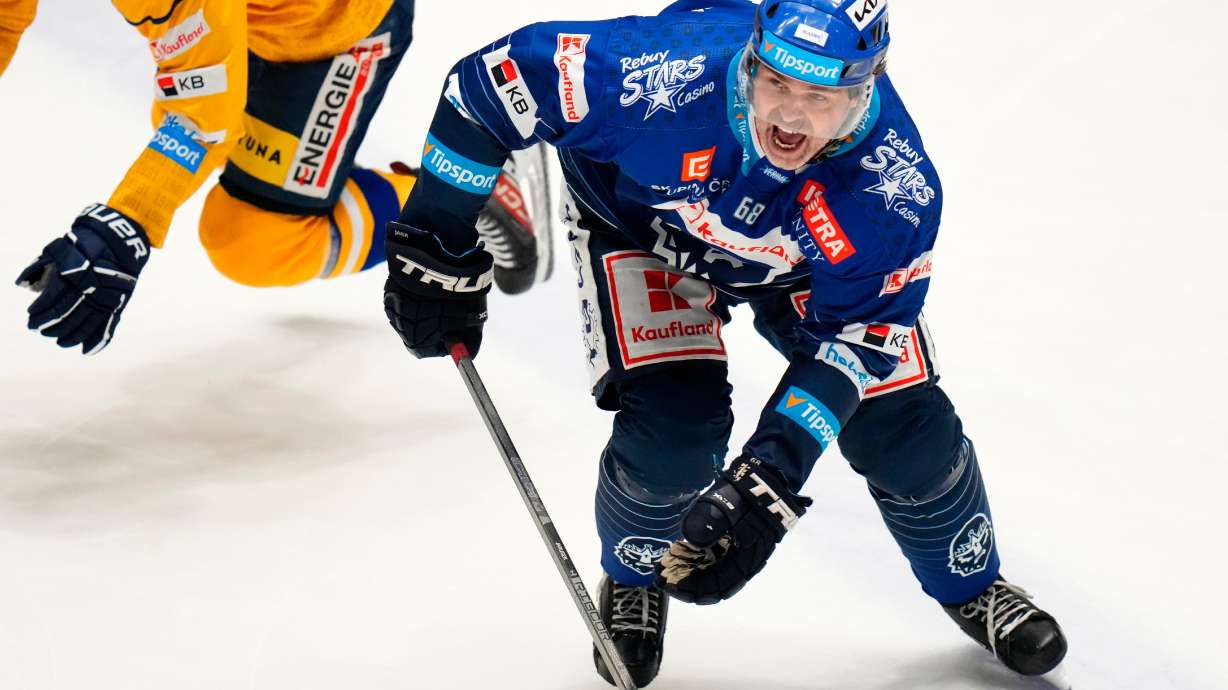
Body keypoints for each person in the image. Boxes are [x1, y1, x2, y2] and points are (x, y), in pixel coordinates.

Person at [381, 0, 1068, 685]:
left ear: (867, 88)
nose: (790, 117)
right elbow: (489, 89)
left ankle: (970, 579)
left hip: (803, 272)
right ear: (753, 58)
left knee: (906, 433)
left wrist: (770, 478)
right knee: (673, 441)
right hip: (640, 230)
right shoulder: (656, 74)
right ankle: (636, 568)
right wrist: (434, 241)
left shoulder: (893, 192)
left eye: (821, 95)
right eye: (776, 83)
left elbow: (858, 338)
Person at [4, 0, 550, 355]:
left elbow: (201, 104)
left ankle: (461, 187)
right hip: (244, 22)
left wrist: (130, 219)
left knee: (252, 242)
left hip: (328, 30)